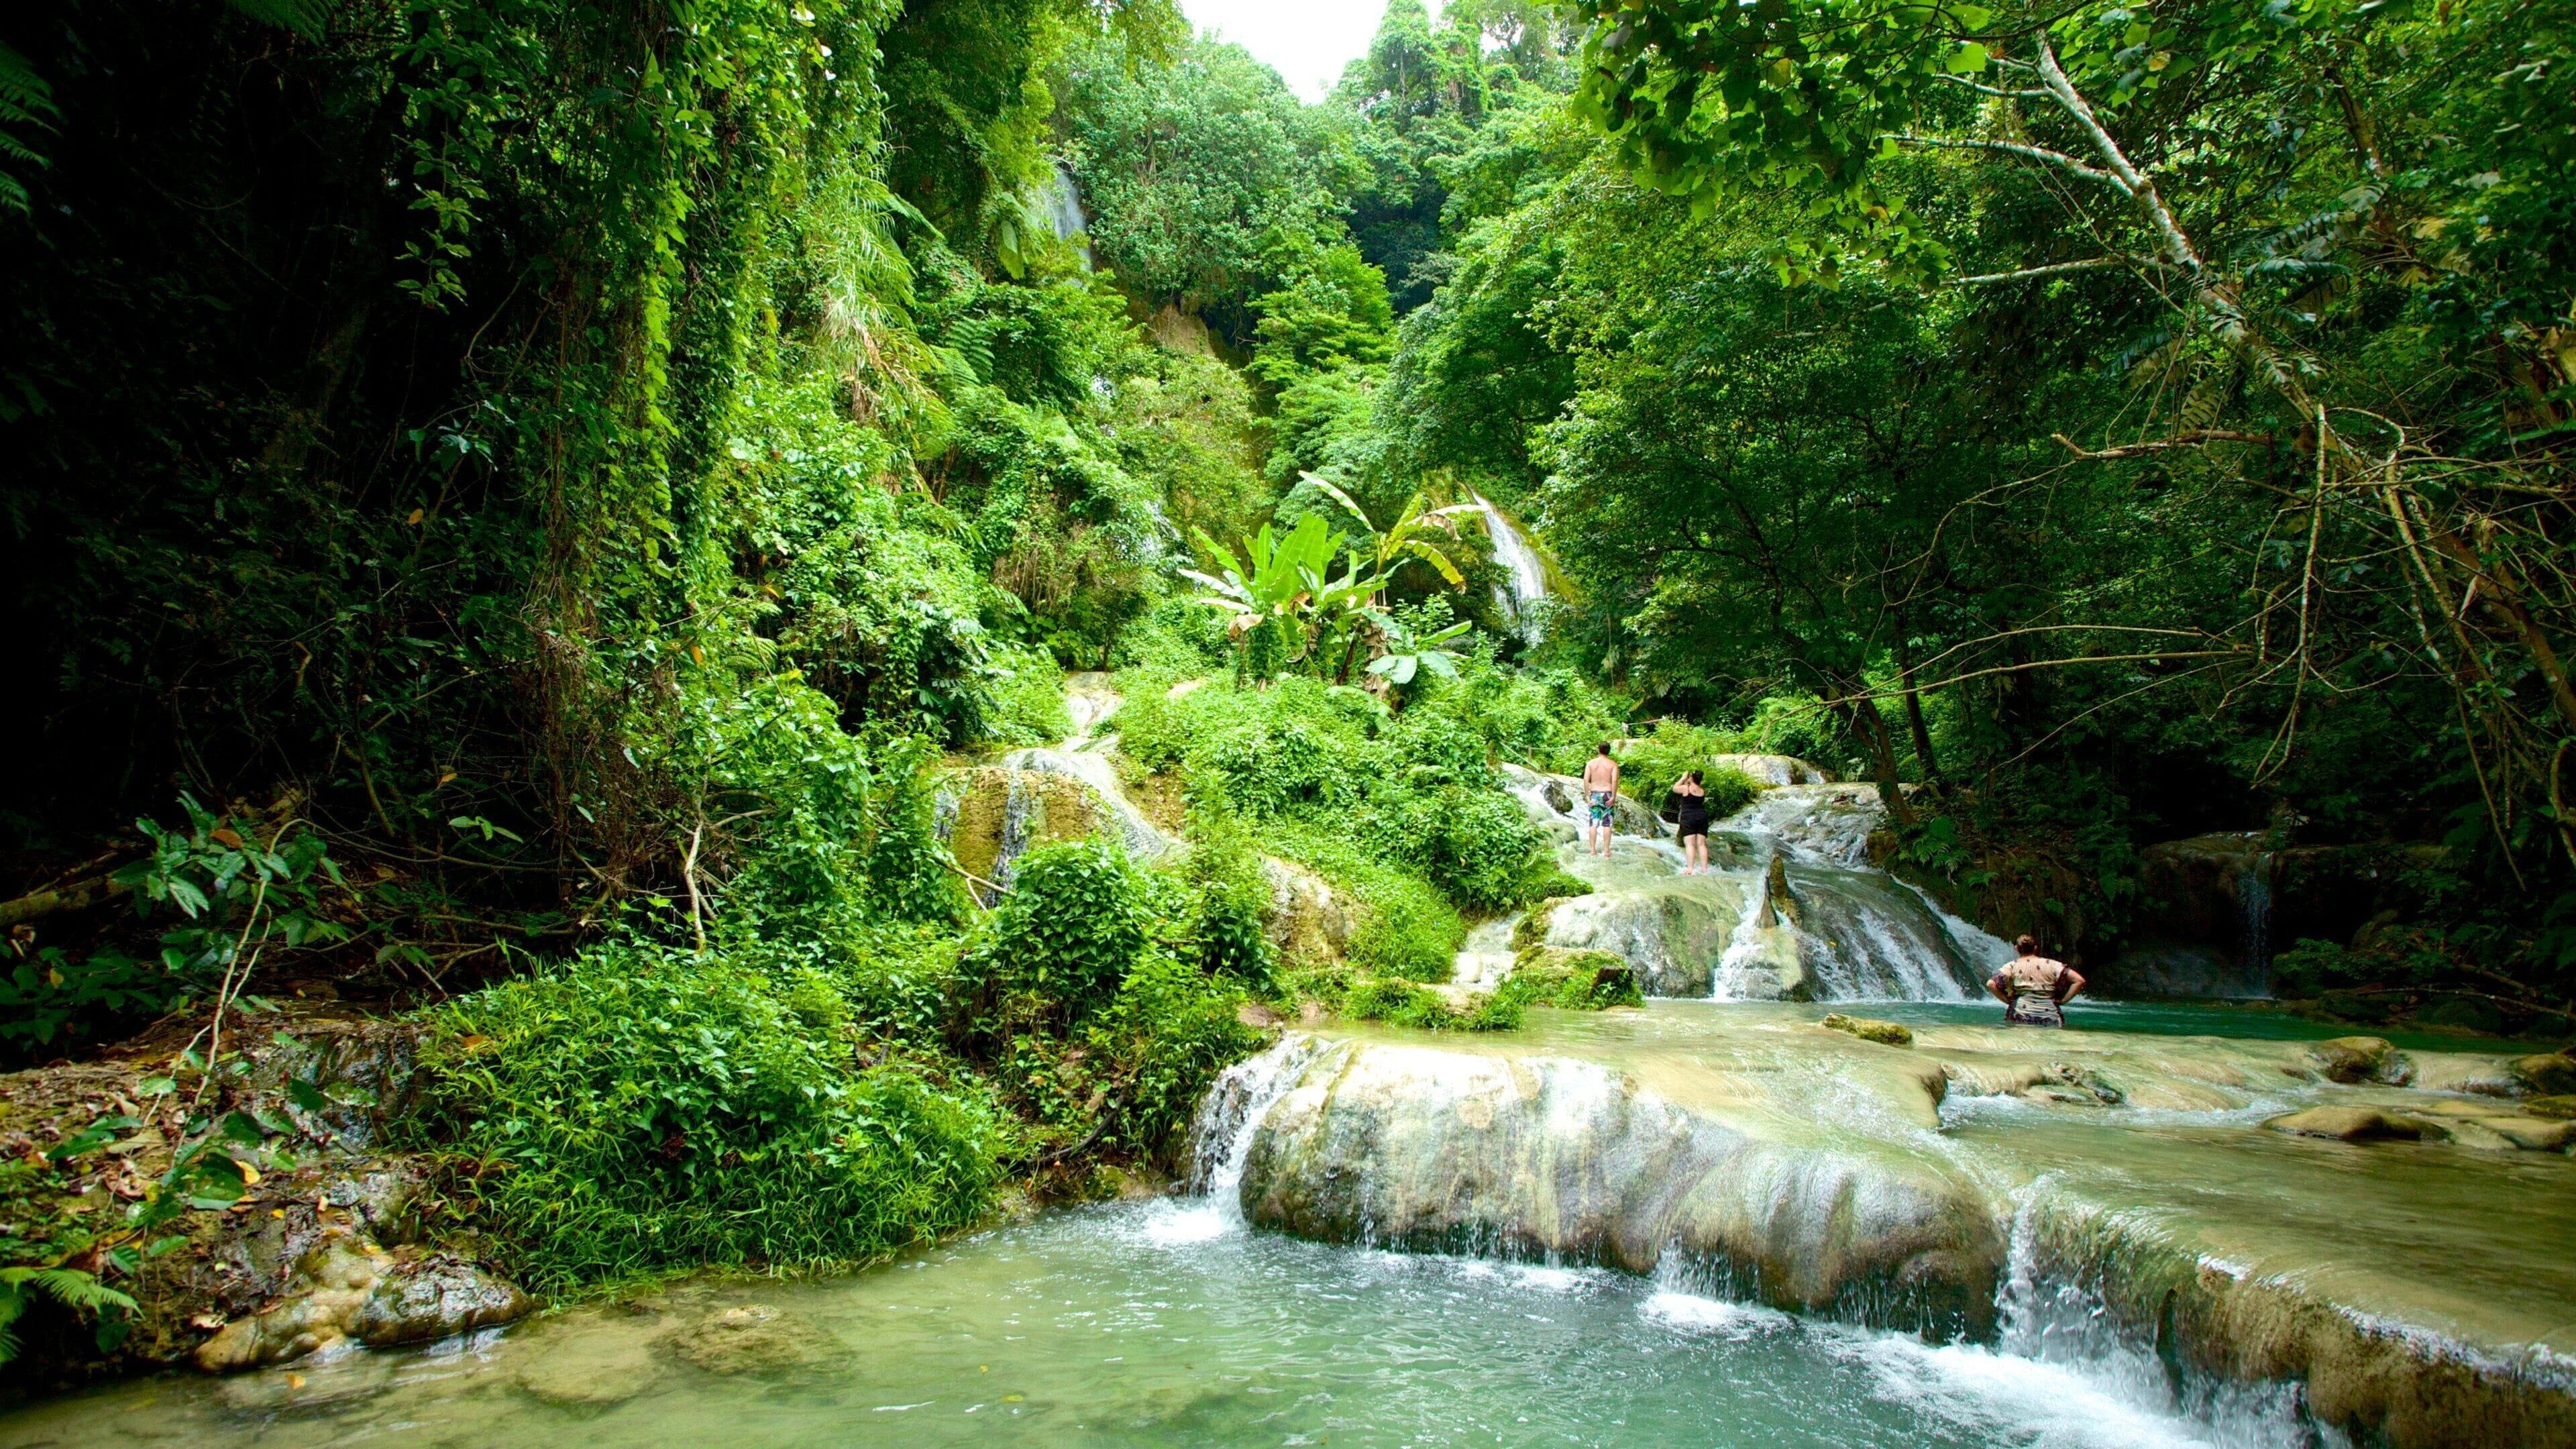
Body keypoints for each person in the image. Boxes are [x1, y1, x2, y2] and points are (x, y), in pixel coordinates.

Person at [1986, 935, 2085, 1027]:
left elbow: (1991, 984)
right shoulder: (2053, 964)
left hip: (2021, 1013)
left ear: (2016, 948)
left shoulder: (2012, 966)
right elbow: (2079, 981)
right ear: (2035, 948)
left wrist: (2006, 1001)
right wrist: (2064, 1001)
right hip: (2050, 1014)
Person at [1580, 741, 1621, 857]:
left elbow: (1586, 780)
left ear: (1599, 750)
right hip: (1607, 794)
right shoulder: (1613, 765)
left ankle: (1593, 850)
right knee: (1607, 824)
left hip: (1595, 795)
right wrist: (1613, 797)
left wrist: (1588, 797)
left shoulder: (1591, 763)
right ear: (1609, 751)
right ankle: (1606, 850)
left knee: (1594, 823)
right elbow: (1614, 781)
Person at [1671, 769, 1711, 875]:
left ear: (1692, 778)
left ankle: (1690, 869)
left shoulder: (1686, 788)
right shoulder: (1702, 790)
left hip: (1689, 817)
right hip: (1702, 817)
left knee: (1690, 844)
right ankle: (1704, 869)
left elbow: (1674, 789)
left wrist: (1683, 778)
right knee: (1701, 844)